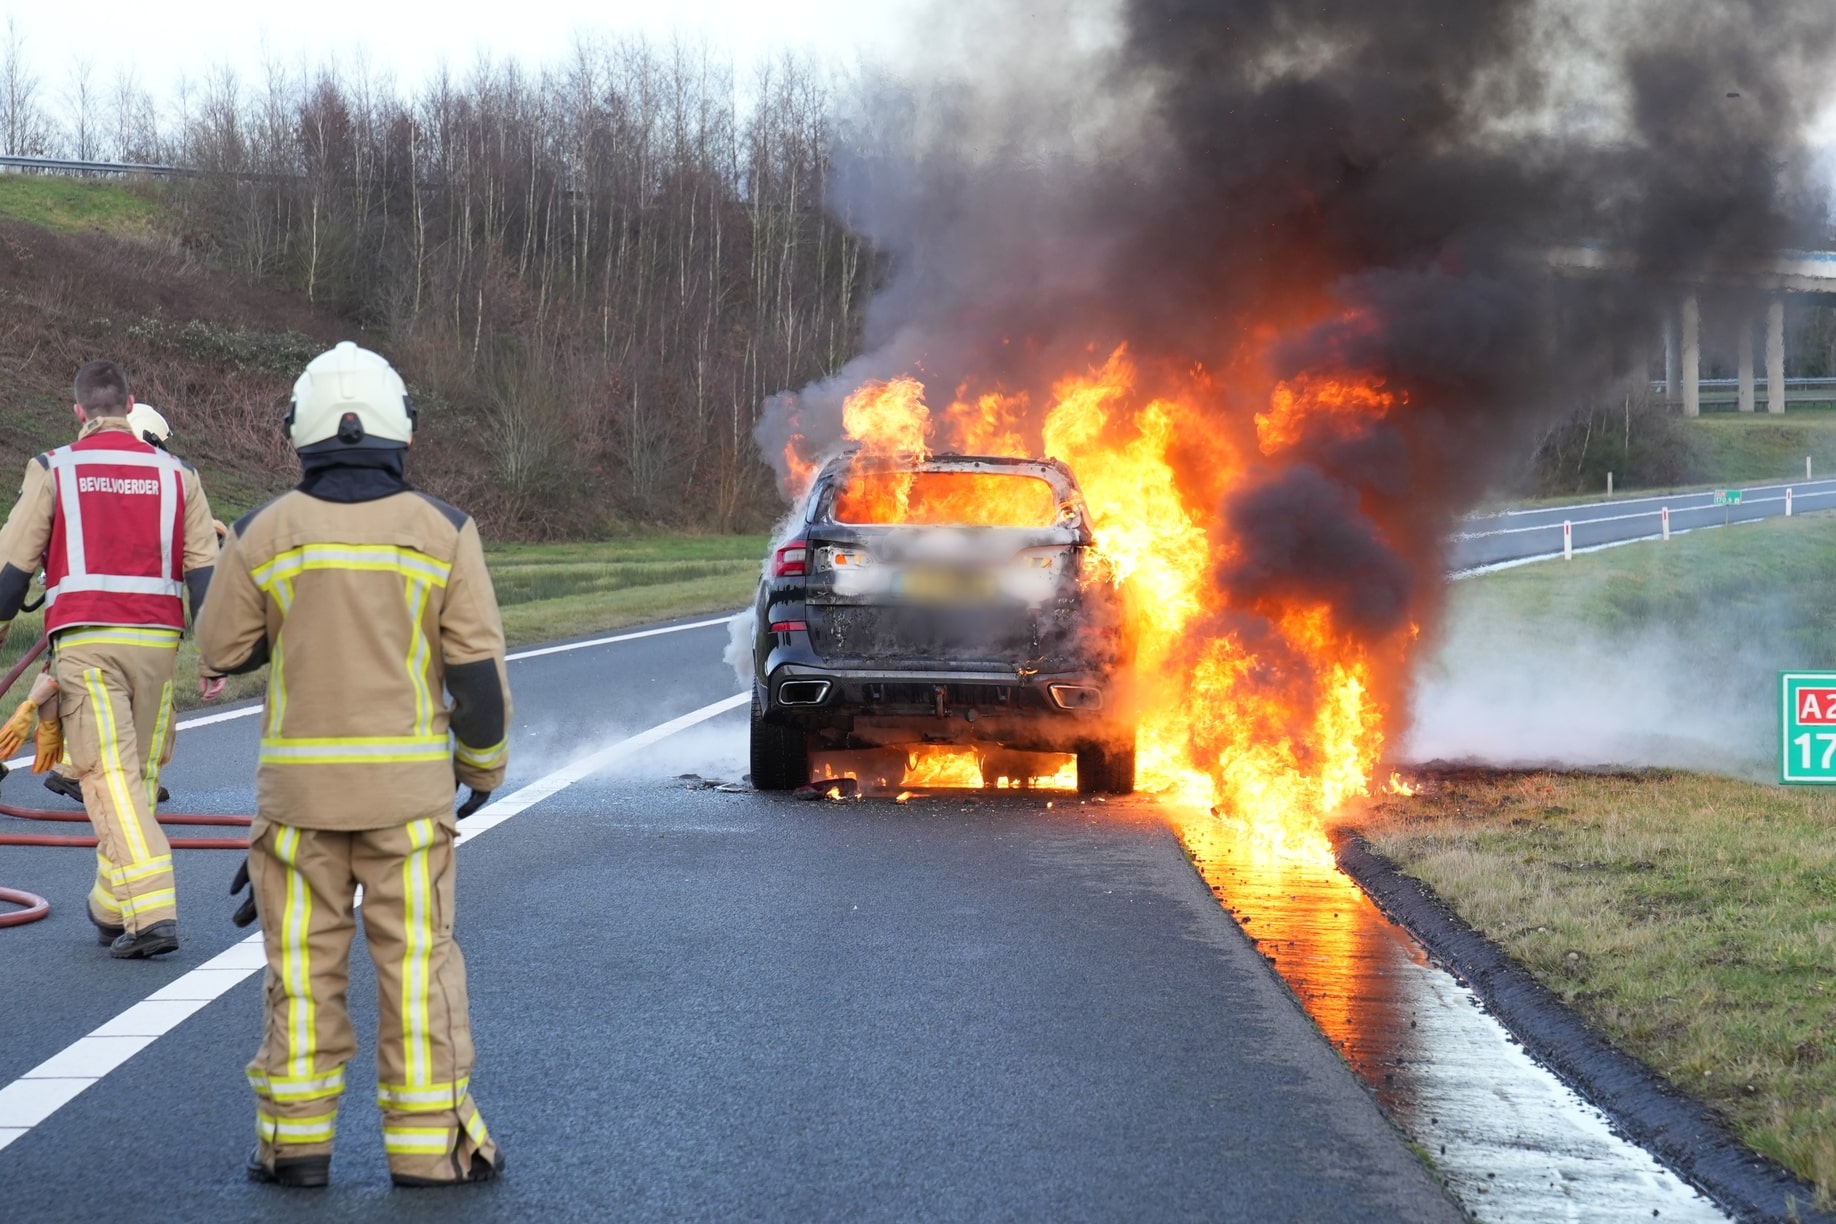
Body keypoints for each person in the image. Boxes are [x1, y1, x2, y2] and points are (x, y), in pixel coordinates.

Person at [198, 341, 510, 1190]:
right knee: (417, 969)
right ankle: (429, 1153)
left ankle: (292, 1148)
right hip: (410, 803)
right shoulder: (444, 532)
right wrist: (480, 767)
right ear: (399, 429)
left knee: (299, 971)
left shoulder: (266, 531)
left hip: (296, 806)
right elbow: (477, 676)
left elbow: (221, 644)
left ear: (299, 433)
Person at [0, 361, 222, 958]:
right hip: (158, 651)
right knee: (139, 781)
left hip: (88, 648)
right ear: (131, 404)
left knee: (108, 779)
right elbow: (205, 573)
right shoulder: (181, 476)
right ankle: (112, 903)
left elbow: (11, 573)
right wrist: (218, 656)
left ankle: (151, 912)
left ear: (79, 412)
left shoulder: (55, 469)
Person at [42, 403, 187, 807]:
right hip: (141, 622)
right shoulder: (156, 482)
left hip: (76, 620)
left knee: (83, 696)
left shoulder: (81, 473)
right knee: (156, 709)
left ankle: (73, 766)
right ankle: (140, 780)